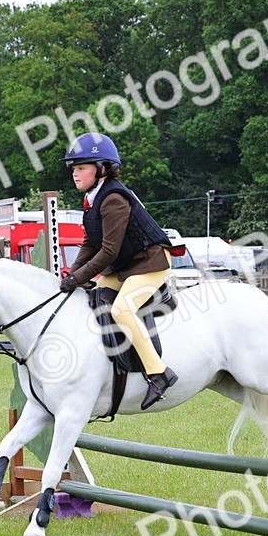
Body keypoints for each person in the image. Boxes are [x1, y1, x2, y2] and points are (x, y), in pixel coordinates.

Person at [58, 132, 178, 410]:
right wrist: (71, 275)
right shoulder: (92, 198)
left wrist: (78, 277)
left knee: (120, 310)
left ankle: (158, 373)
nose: (75, 174)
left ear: (101, 169)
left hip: (150, 262)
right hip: (128, 265)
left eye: (81, 168)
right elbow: (90, 243)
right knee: (96, 296)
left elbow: (108, 251)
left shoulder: (113, 199)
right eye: (74, 169)